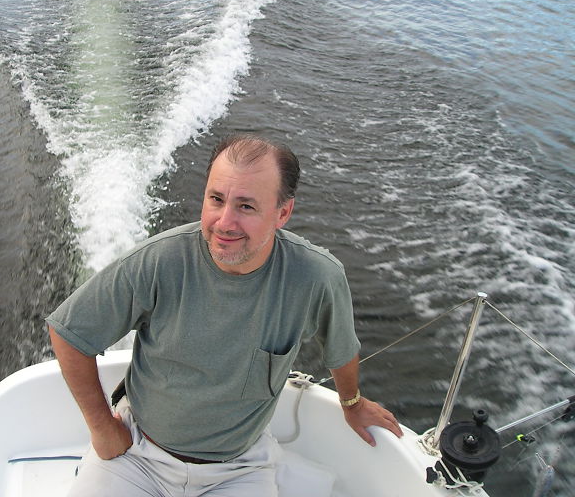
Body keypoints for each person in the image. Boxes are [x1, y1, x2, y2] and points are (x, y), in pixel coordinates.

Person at [47, 135, 403, 496]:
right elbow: (69, 332)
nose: (224, 223)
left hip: (239, 469)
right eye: (216, 199)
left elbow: (340, 351)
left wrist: (352, 404)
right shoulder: (159, 261)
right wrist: (102, 428)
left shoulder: (317, 278)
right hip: (138, 455)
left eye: (246, 207)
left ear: (283, 213)